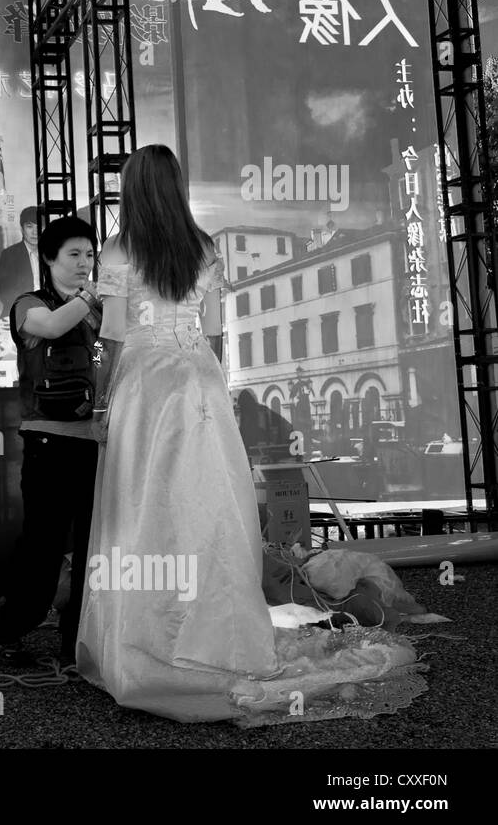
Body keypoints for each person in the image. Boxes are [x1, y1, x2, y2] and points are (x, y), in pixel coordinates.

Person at [78, 145, 422, 724]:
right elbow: (215, 335)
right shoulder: (204, 247)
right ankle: (218, 634)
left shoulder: (118, 249)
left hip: (143, 386)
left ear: (133, 189)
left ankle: (139, 638)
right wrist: (217, 388)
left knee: (139, 509)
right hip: (199, 384)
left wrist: (99, 397)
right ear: (177, 186)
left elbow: (109, 337)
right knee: (209, 506)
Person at [0, 216, 102, 665]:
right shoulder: (29, 305)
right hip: (47, 443)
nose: (84, 263)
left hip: (93, 442)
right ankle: (7, 628)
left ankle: (76, 642)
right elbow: (51, 327)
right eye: (73, 254)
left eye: (90, 255)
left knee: (93, 546)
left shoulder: (95, 309)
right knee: (44, 545)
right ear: (48, 258)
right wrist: (95, 294)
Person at [0, 206, 42, 322]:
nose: (35, 232)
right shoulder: (9, 255)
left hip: (47, 315)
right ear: (22, 229)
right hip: (18, 316)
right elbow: (6, 294)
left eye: (39, 226)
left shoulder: (51, 255)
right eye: (29, 226)